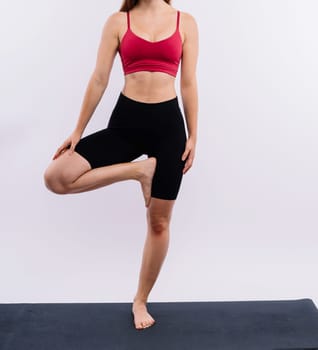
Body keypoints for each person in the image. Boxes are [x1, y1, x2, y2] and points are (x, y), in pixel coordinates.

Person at [43, 0, 198, 330]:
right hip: (126, 122)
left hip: (168, 127)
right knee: (57, 177)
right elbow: (99, 77)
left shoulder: (186, 22)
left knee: (158, 222)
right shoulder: (118, 21)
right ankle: (138, 172)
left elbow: (188, 83)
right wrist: (77, 131)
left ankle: (140, 299)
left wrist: (194, 135)